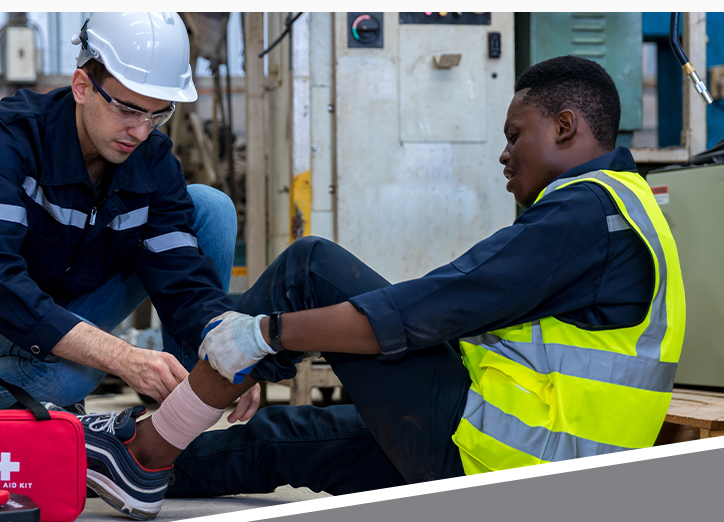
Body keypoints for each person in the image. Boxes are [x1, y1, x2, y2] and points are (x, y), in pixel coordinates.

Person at [76, 55, 689, 515]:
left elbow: (431, 307)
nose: (504, 155)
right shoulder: (621, 208)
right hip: (509, 458)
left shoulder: (584, 216)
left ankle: (154, 439)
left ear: (563, 126)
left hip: (500, 463)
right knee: (296, 439)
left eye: (514, 134)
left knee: (309, 267)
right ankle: (97, 462)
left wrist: (262, 335)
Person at [0, 12, 261, 426]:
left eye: (157, 114)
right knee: (77, 371)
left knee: (211, 208)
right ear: (82, 86)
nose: (141, 132)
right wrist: (120, 356)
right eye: (127, 110)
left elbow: (183, 277)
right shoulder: (0, 139)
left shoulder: (150, 157)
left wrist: (231, 351)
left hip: (65, 305)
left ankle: (183, 419)